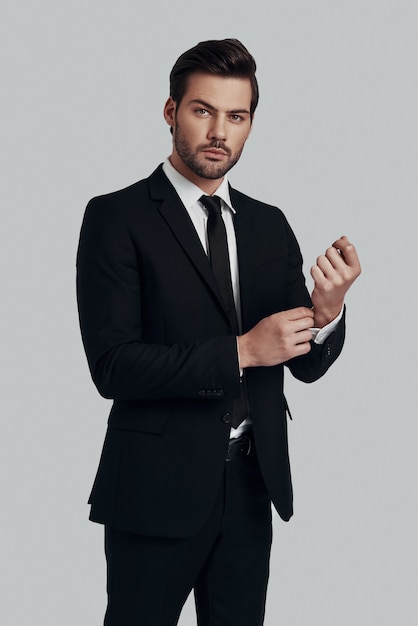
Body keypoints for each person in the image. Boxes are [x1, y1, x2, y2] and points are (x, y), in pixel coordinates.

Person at [76, 38, 361, 626]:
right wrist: (240, 351)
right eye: (202, 110)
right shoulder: (115, 217)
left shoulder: (268, 223)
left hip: (252, 486)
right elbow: (113, 366)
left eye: (236, 116)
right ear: (170, 112)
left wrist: (326, 311)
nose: (218, 132)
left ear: (250, 123)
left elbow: (301, 364)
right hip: (154, 493)